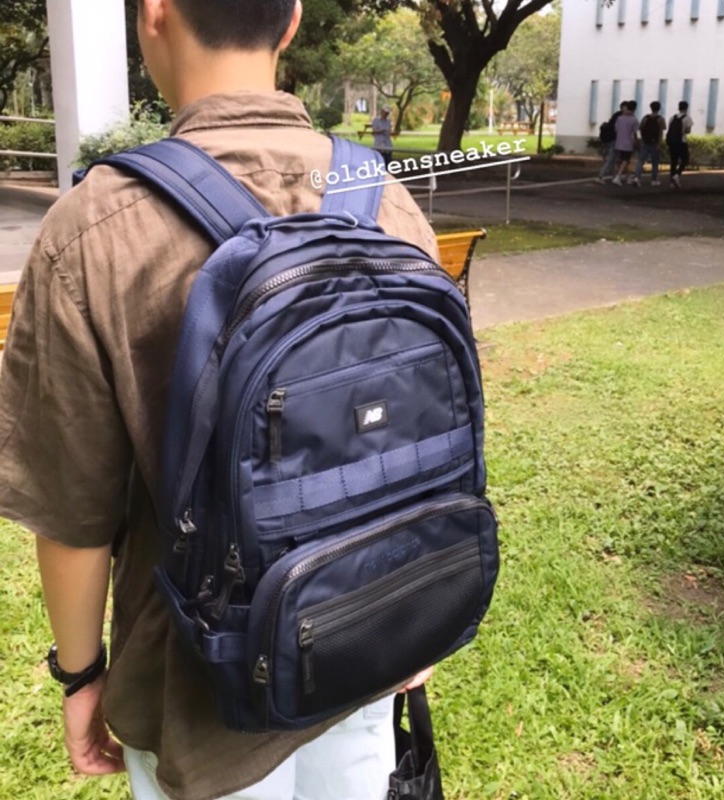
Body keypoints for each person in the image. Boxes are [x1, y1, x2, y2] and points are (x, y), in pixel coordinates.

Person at [0, 1, 437, 799]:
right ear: (294, 20)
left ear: (156, 13)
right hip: (363, 638)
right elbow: (419, 440)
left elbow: (72, 511)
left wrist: (81, 675)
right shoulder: (386, 201)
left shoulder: (94, 229)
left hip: (195, 692)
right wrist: (416, 608)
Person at [633, 100, 666, 187]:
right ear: (659, 109)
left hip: (645, 142)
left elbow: (640, 128)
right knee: (655, 162)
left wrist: (643, 138)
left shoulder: (645, 118)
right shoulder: (660, 119)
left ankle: (637, 177)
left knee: (641, 161)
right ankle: (654, 180)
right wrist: (659, 142)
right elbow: (661, 131)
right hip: (655, 142)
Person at [610, 101, 639, 187]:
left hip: (619, 142)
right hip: (628, 143)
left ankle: (629, 177)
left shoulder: (619, 118)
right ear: (635, 108)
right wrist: (636, 142)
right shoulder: (634, 119)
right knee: (625, 160)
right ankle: (618, 177)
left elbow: (616, 129)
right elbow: (634, 132)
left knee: (624, 160)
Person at [596, 101, 625, 183]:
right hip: (615, 139)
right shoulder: (620, 116)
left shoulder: (616, 115)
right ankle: (601, 175)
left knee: (614, 158)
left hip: (613, 139)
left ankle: (613, 175)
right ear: (623, 107)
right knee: (612, 158)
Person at [667, 100, 693, 188]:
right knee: (685, 159)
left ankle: (672, 182)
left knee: (673, 161)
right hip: (682, 142)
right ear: (686, 108)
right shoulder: (687, 118)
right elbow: (688, 131)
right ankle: (677, 175)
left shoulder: (672, 117)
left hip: (672, 142)